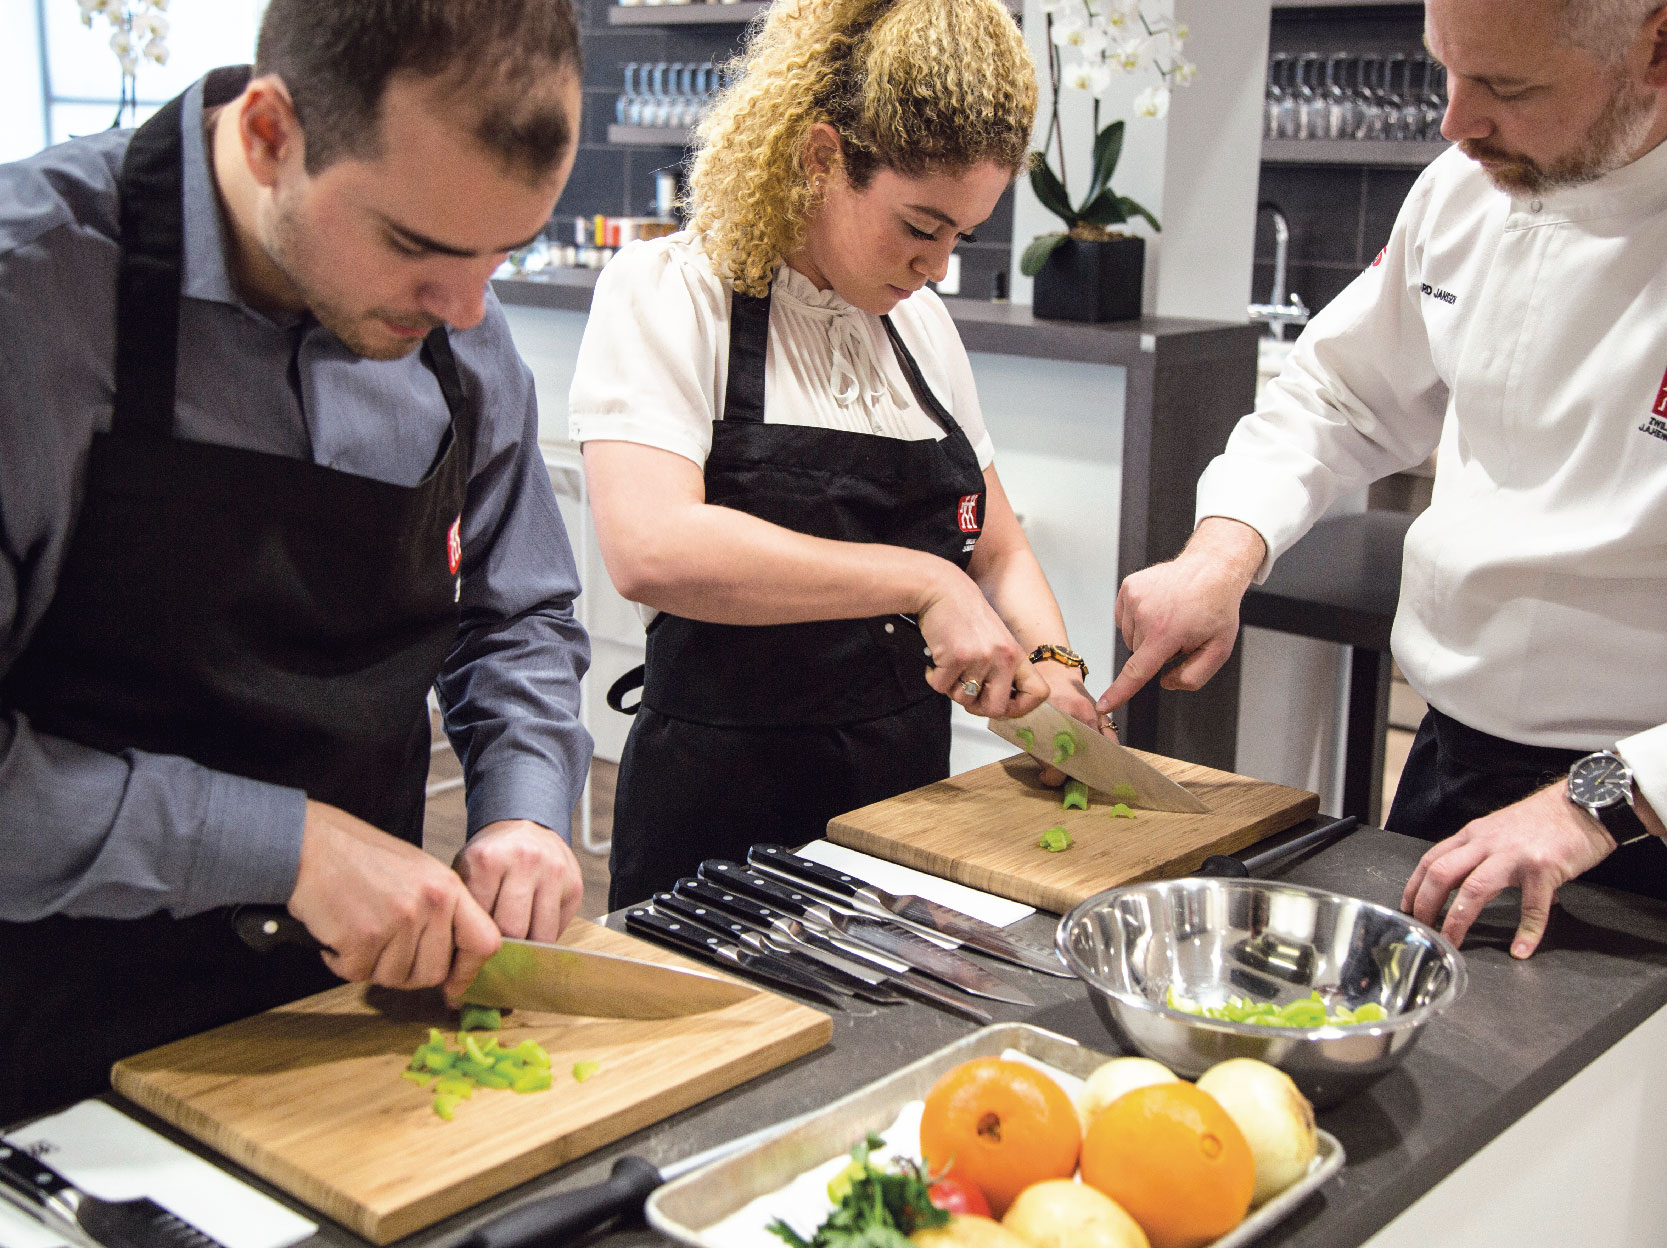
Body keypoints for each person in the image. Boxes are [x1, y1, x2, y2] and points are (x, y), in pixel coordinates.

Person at [0, 0, 592, 1124]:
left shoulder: (456, 323)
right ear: (269, 133)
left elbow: (515, 610)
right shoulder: (30, 298)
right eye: (415, 246)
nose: (467, 308)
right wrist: (285, 844)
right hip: (46, 1050)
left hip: (346, 1028)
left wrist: (522, 805)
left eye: (500, 255)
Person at [1098, 0, 1667, 959]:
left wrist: (1597, 803)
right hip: (1458, 767)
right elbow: (1341, 395)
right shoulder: (1462, 188)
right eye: (1445, 69)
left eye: (1506, 86)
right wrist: (1222, 550)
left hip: (1637, 809)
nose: (1454, 123)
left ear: (1656, 45)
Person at [571, 0, 1109, 910]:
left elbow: (998, 546)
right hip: (718, 813)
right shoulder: (672, 293)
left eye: (960, 237)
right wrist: (921, 583)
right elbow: (650, 547)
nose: (937, 265)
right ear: (821, 157)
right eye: (918, 225)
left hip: (907, 808)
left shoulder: (921, 328)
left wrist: (1052, 663)